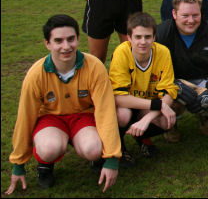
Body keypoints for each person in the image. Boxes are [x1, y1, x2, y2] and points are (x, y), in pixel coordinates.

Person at [5, 15, 121, 194]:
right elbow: (25, 117)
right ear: (47, 44)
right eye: (58, 41)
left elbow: (106, 111)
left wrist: (111, 158)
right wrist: (18, 164)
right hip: (51, 119)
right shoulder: (36, 74)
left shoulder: (95, 67)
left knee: (93, 148)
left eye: (70, 39)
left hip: (83, 116)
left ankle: (93, 156)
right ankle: (45, 165)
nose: (66, 46)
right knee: (49, 148)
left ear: (77, 39)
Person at [156, 0, 208, 138]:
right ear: (174, 13)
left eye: (195, 15)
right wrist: (177, 88)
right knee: (166, 101)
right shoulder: (161, 34)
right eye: (185, 15)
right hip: (174, 82)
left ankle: (205, 115)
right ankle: (171, 123)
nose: (191, 20)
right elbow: (155, 71)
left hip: (204, 81)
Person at [108, 12, 178, 165]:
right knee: (122, 116)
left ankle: (141, 137)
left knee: (167, 122)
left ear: (154, 37)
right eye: (138, 37)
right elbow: (119, 97)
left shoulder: (163, 52)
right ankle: (119, 149)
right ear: (129, 37)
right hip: (127, 105)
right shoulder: (121, 52)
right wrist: (159, 105)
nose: (143, 42)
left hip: (148, 105)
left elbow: (169, 91)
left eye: (147, 37)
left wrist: (147, 118)